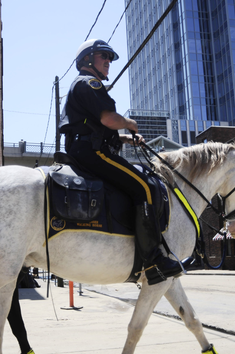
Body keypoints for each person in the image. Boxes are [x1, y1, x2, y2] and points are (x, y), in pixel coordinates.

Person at [59, 39, 182, 285]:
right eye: (103, 56)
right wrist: (129, 123)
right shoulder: (89, 83)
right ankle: (153, 258)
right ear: (87, 60)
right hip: (92, 153)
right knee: (146, 187)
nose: (108, 62)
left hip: (86, 148)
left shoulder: (82, 86)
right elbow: (107, 119)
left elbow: (94, 125)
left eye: (109, 58)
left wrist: (124, 139)